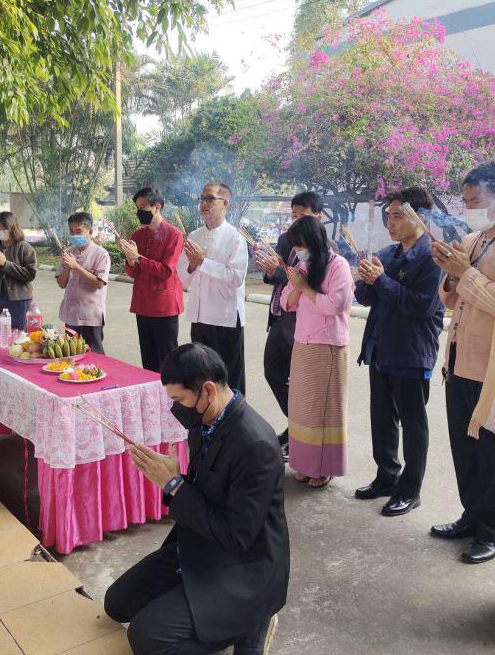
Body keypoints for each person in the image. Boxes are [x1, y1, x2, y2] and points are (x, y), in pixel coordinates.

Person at [104, 343, 289, 655]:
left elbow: (237, 536)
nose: (176, 408)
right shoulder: (204, 420)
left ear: (208, 390)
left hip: (243, 565)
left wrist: (175, 485)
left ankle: (252, 621)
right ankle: (205, 609)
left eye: (179, 399)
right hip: (198, 543)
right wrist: (175, 480)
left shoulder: (255, 445)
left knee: (146, 639)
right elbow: (205, 492)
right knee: (116, 604)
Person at [430, 161, 495, 564]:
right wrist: (450, 273)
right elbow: (449, 299)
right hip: (459, 358)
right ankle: (471, 515)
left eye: (475, 200)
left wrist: (465, 273)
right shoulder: (473, 239)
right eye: (465, 201)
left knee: (494, 452)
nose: (469, 208)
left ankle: (494, 529)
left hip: (494, 364)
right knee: (464, 446)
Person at [354, 188, 444, 516]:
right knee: (382, 417)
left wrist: (381, 281)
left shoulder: (433, 257)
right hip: (381, 347)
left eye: (397, 215)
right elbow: (366, 298)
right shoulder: (388, 254)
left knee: (412, 422)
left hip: (411, 351)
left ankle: (410, 489)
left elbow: (422, 306)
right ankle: (386, 475)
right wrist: (365, 280)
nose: (390, 222)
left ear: (421, 217)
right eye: (388, 216)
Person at [280, 216, 353, 489]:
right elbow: (286, 302)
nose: (298, 251)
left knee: (323, 410)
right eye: (295, 246)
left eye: (301, 245)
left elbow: (335, 305)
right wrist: (297, 288)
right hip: (303, 344)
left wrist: (304, 288)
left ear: (314, 242)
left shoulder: (338, 265)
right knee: (303, 408)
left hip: (328, 346)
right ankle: (305, 464)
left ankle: (323, 468)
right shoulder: (303, 265)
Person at [254, 191, 327, 461]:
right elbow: (278, 276)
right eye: (293, 215)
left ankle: (305, 432)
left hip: (303, 324)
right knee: (273, 373)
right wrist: (269, 269)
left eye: (302, 216)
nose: (296, 222)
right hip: (279, 316)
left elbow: (310, 285)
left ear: (318, 217)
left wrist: (279, 272)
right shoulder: (286, 239)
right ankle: (297, 424)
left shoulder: (325, 247)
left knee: (302, 383)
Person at [177, 183, 248, 394]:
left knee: (228, 378)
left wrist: (203, 262)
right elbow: (182, 277)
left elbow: (236, 277)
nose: (204, 204)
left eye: (210, 199)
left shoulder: (235, 237)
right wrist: (192, 265)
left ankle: (234, 415)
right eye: (202, 199)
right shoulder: (194, 236)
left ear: (224, 203)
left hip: (225, 318)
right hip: (200, 317)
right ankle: (206, 413)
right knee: (202, 376)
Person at [118, 187, 184, 372]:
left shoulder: (174, 234)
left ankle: (171, 390)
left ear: (157, 207)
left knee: (168, 359)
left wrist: (138, 258)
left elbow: (166, 271)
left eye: (143, 207)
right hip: (143, 304)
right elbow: (133, 273)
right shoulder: (137, 235)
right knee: (148, 359)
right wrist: (131, 261)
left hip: (164, 306)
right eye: (137, 207)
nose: (139, 211)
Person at [55, 211, 110, 354]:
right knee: (71, 352)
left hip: (90, 316)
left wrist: (76, 267)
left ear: (90, 232)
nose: (74, 235)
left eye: (78, 231)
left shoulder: (101, 254)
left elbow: (99, 284)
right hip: (71, 313)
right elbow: (61, 283)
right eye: (71, 231)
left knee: (94, 354)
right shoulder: (68, 253)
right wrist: (68, 268)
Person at [0, 211, 37, 336]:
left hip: (20, 300)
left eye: (5, 228)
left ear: (13, 228)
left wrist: (5, 264)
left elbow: (30, 274)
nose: (1, 231)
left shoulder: (24, 248)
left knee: (20, 337)